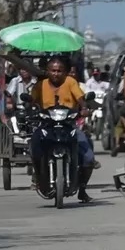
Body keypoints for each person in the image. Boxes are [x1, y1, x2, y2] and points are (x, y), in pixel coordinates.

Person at [30, 58, 96, 202]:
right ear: (48, 71)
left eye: (59, 71)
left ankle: (82, 188)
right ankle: (38, 175)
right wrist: (30, 107)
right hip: (47, 126)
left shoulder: (71, 82)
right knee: (34, 144)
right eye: (53, 70)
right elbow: (32, 100)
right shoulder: (40, 85)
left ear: (65, 72)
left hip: (69, 125)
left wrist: (84, 108)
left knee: (88, 156)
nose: (56, 73)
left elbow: (81, 98)